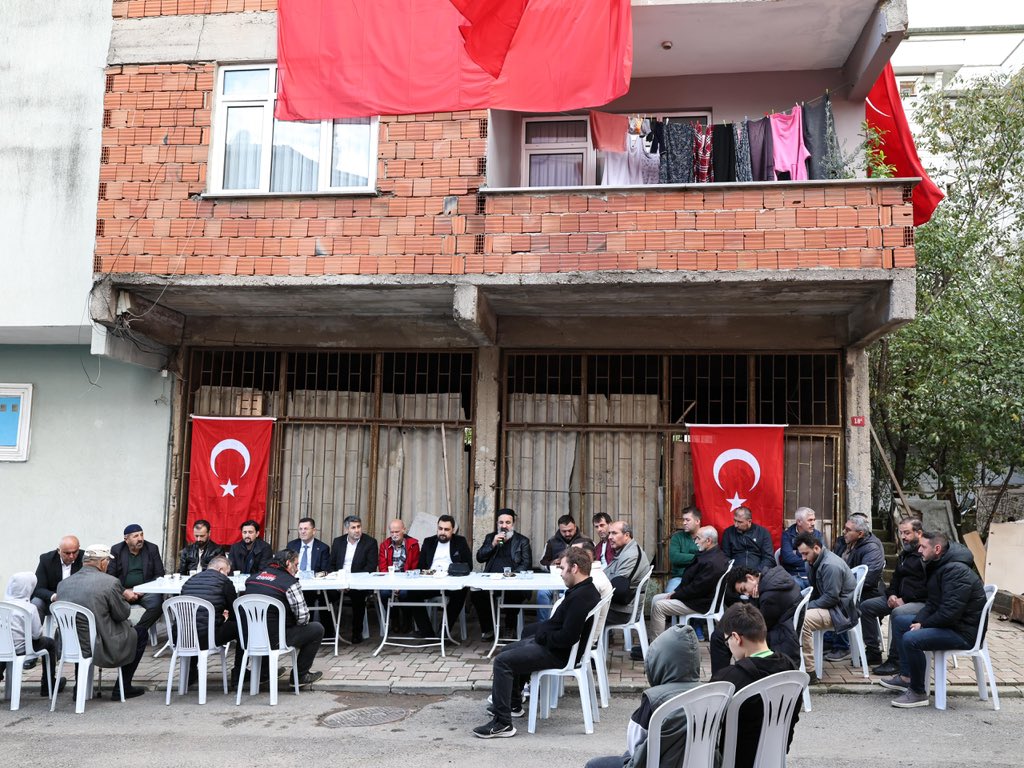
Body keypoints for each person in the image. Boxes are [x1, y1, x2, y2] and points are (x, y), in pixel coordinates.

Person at [473, 547, 600, 739]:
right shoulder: (583, 590)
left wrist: (542, 637)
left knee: (502, 661)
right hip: (557, 648)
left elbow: (568, 637)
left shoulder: (581, 597)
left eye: (562, 568)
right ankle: (514, 704)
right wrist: (541, 632)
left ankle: (502, 724)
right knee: (508, 650)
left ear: (574, 568)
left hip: (559, 654)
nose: (560, 572)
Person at [880, 531, 987, 708]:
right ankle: (907, 676)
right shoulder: (940, 565)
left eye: (923, 546)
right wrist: (920, 621)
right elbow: (932, 603)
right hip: (952, 625)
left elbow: (949, 612)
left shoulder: (956, 571)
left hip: (962, 633)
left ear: (937, 549)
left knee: (911, 638)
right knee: (900, 621)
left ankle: (918, 692)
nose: (919, 550)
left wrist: (923, 625)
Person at [584, 624, 702, 768]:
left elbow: (633, 744)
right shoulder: (711, 692)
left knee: (594, 765)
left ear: (660, 661)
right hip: (702, 762)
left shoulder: (655, 699)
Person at [710, 604, 799, 768]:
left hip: (735, 760)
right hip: (775, 757)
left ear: (736, 638)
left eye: (727, 640)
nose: (728, 646)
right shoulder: (791, 669)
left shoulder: (728, 678)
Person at [56, 544, 148, 699]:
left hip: (69, 643)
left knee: (82, 631)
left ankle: (81, 687)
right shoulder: (110, 582)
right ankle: (122, 687)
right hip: (100, 643)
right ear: (102, 563)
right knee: (140, 633)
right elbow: (122, 614)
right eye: (108, 562)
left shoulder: (63, 584)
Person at [643, 526, 728, 658]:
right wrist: (676, 592)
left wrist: (676, 595)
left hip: (699, 603)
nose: (695, 541)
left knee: (659, 607)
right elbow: (692, 583)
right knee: (656, 598)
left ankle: (656, 652)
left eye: (698, 538)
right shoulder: (711, 554)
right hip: (694, 597)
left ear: (709, 541)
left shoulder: (713, 562)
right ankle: (654, 641)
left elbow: (697, 588)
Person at [244, 549, 324, 686]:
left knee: (266, 624)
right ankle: (300, 676)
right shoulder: (290, 583)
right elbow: (303, 617)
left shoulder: (252, 579)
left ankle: (264, 673)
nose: (298, 570)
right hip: (277, 639)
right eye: (296, 565)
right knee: (317, 628)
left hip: (250, 636)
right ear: (288, 563)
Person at [863, 517, 927, 676]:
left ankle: (895, 660)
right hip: (898, 598)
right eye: (901, 533)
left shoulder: (926, 554)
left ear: (919, 533)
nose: (903, 537)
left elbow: (928, 588)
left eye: (907, 533)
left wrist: (905, 600)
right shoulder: (904, 554)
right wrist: (891, 595)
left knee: (898, 614)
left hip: (921, 602)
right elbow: (895, 579)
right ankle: (873, 651)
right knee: (866, 607)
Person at [709, 565, 802, 673]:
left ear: (750, 578)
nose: (746, 594)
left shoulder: (770, 594)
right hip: (781, 627)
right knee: (723, 632)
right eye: (742, 593)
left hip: (777, 633)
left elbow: (757, 623)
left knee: (719, 637)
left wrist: (753, 600)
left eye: (744, 589)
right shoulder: (773, 579)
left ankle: (720, 679)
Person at [795, 531, 856, 684]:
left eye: (805, 553)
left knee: (803, 621)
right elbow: (816, 592)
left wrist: (805, 608)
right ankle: (796, 662)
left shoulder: (830, 565)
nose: (803, 558)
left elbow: (831, 598)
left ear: (816, 548)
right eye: (801, 554)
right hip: (831, 607)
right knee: (794, 613)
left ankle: (809, 672)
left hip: (841, 612)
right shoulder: (811, 562)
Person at [825, 514, 886, 663]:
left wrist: (842, 588)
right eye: (845, 528)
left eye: (848, 530)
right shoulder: (842, 542)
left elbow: (868, 578)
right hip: (845, 587)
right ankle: (828, 640)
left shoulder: (871, 548)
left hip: (867, 592)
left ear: (860, 534)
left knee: (839, 601)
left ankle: (843, 645)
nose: (844, 532)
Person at [179, 554, 244, 684]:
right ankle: (238, 673)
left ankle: (191, 673)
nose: (227, 575)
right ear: (221, 570)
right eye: (227, 572)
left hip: (182, 636)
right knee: (242, 626)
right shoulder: (224, 582)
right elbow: (235, 611)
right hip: (207, 637)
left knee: (195, 624)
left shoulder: (190, 581)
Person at [471, 508, 533, 641]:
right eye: (501, 523)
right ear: (497, 523)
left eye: (507, 522)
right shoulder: (491, 537)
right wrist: (493, 544)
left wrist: (511, 576)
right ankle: (488, 629)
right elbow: (479, 558)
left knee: (513, 593)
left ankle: (509, 628)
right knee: (477, 594)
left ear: (513, 523)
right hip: (492, 580)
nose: (504, 526)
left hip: (513, 580)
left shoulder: (523, 541)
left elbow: (526, 564)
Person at [409, 515, 473, 638]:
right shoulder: (429, 542)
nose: (442, 532)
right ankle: (427, 631)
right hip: (430, 582)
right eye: (440, 528)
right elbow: (421, 566)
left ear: (453, 530)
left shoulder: (460, 542)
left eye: (446, 529)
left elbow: (468, 566)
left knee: (461, 592)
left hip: (451, 582)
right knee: (411, 593)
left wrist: (451, 572)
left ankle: (444, 631)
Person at [4, 572, 65, 696]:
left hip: (4, 648)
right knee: (50, 643)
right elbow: (36, 635)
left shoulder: (3, 606)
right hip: (23, 649)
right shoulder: (30, 608)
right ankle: (48, 685)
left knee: (5, 646)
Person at [330, 515, 378, 644]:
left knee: (358, 597)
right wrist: (340, 580)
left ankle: (357, 633)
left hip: (358, 582)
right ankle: (329, 632)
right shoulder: (338, 542)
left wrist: (350, 581)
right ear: (346, 530)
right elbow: (331, 565)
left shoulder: (370, 542)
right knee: (326, 595)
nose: (357, 530)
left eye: (359, 527)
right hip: (339, 581)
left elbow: (371, 567)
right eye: (353, 528)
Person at [108, 523, 166, 632]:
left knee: (158, 605)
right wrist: (124, 591)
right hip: (123, 592)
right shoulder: (117, 550)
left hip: (145, 591)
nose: (140, 539)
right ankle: (118, 634)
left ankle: (137, 632)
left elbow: (159, 574)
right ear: (126, 539)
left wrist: (143, 589)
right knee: (107, 605)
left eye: (141, 535)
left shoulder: (152, 548)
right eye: (135, 536)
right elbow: (110, 576)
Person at [287, 517, 335, 636]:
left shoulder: (322, 547)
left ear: (314, 531)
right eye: (300, 529)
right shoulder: (292, 545)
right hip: (295, 583)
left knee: (314, 597)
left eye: (306, 529)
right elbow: (286, 566)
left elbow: (325, 570)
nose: (302, 531)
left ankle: (314, 633)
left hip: (314, 585)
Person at [603, 521, 651, 626]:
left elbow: (617, 589)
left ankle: (592, 642)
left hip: (624, 612)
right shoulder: (623, 551)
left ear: (626, 535)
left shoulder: (631, 555)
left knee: (581, 611)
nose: (610, 537)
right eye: (609, 533)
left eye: (614, 533)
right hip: (618, 607)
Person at [31, 535, 83, 620]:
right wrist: (54, 596)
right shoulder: (46, 560)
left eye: (75, 552)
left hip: (77, 600)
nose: (71, 556)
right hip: (52, 600)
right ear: (59, 551)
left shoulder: (84, 558)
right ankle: (35, 633)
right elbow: (38, 588)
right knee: (36, 602)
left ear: (79, 548)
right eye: (67, 553)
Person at [779, 507, 825, 589]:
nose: (813, 523)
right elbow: (787, 558)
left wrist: (796, 553)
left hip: (814, 575)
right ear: (799, 522)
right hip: (794, 575)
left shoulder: (818, 535)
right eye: (810, 520)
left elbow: (822, 557)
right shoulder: (787, 535)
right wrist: (810, 557)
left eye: (814, 519)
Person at [721, 506, 775, 571]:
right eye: (735, 521)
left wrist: (757, 573)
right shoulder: (728, 533)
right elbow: (725, 557)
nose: (736, 525)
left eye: (740, 522)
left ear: (749, 521)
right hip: (735, 573)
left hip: (759, 573)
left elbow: (768, 558)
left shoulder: (763, 533)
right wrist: (734, 572)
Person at [666, 506, 701, 593]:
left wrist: (685, 556)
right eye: (683, 520)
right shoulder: (677, 537)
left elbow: (710, 559)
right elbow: (674, 557)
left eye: (687, 520)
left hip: (700, 578)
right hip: (679, 578)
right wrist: (698, 556)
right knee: (669, 596)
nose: (684, 523)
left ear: (697, 521)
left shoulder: (706, 537)